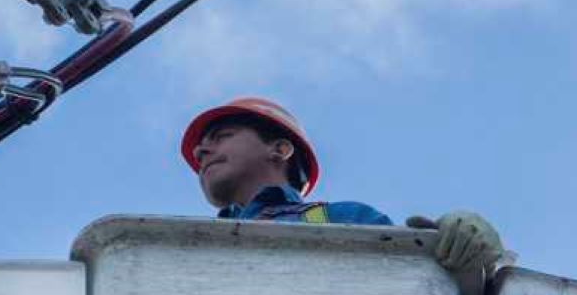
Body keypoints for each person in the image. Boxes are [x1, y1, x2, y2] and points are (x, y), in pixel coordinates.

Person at [180, 96, 505, 272]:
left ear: (280, 149)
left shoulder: (344, 217)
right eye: (200, 148)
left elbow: (421, 291)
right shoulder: (186, 248)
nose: (202, 150)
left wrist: (464, 249)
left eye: (222, 137)